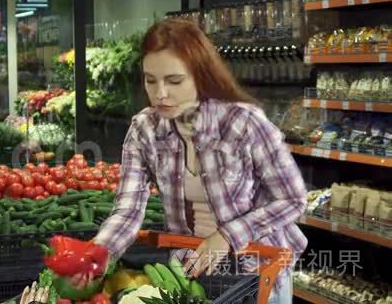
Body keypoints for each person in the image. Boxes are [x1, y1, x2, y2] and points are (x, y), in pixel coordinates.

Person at [81, 19, 308, 304]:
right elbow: (127, 210)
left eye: (174, 81)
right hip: (192, 268)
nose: (160, 93)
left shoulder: (243, 123)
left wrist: (226, 236)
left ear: (200, 75)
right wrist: (100, 252)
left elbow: (293, 199)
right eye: (150, 80)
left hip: (259, 268)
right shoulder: (145, 130)